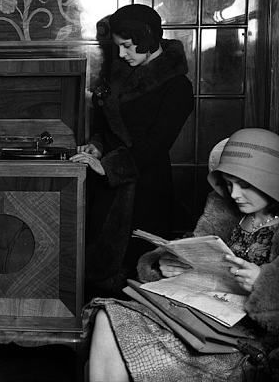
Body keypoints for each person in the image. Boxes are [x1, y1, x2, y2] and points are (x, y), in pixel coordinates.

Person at [85, 128, 279, 382]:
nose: (234, 194)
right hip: (196, 316)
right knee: (107, 317)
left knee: (117, 346)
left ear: (271, 180)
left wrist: (262, 282)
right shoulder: (227, 212)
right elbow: (196, 246)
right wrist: (166, 264)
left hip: (240, 339)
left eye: (244, 185)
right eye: (229, 184)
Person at [69, 3, 194, 296]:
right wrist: (97, 147)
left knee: (139, 272)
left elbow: (156, 144)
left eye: (127, 46)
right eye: (118, 47)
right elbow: (107, 128)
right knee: (98, 267)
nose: (122, 54)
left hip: (146, 187)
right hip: (107, 184)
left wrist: (109, 167)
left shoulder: (178, 87)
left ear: (147, 38)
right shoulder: (120, 74)